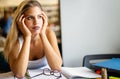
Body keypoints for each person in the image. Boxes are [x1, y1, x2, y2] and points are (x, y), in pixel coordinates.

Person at [3, 0, 62, 78]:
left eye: (39, 17)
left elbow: (57, 67)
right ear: (20, 20)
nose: (36, 22)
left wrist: (42, 34)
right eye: (30, 18)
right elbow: (19, 74)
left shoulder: (49, 34)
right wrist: (27, 37)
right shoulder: (15, 40)